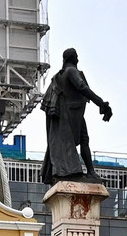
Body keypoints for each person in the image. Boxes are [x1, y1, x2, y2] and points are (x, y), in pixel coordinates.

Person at [40, 47, 112, 184]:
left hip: (71, 114)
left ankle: (91, 172)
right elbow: (82, 88)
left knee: (84, 140)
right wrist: (101, 103)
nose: (78, 59)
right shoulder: (71, 71)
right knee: (83, 140)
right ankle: (86, 172)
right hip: (71, 115)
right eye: (76, 56)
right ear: (72, 58)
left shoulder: (60, 75)